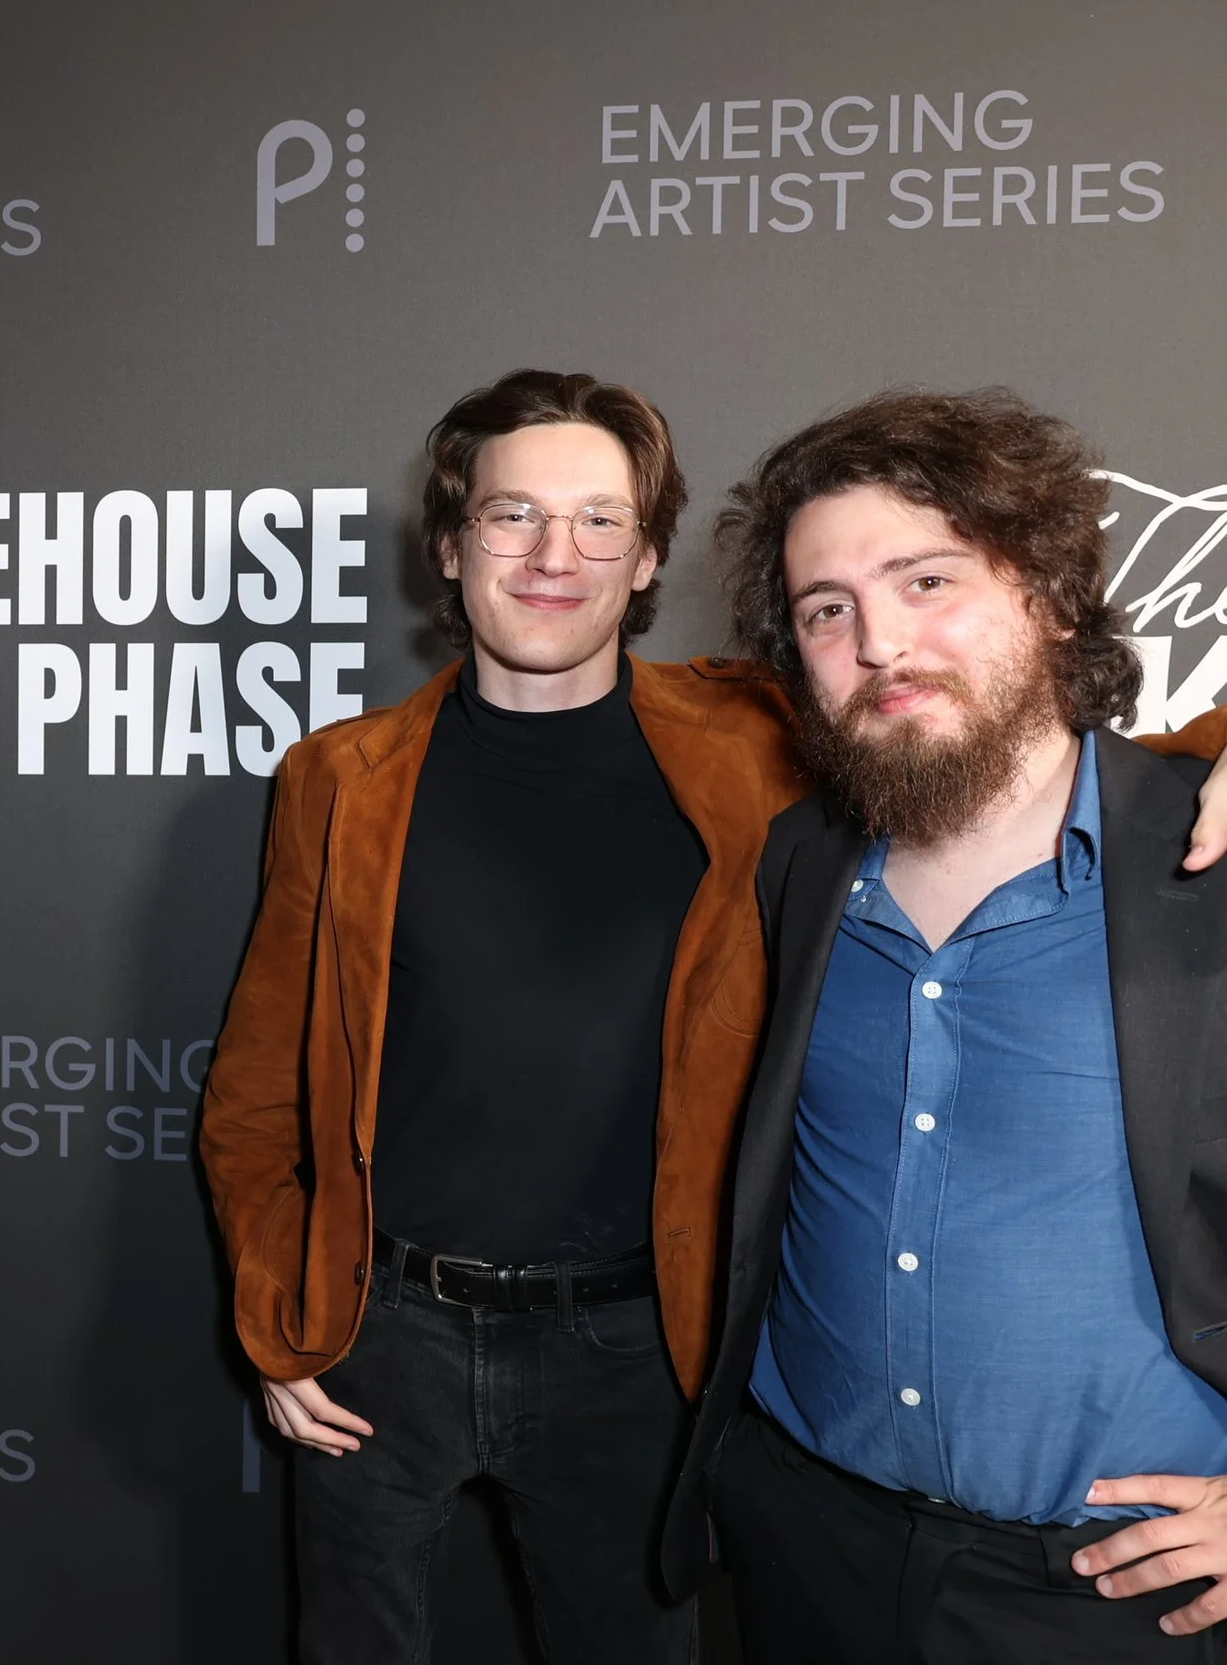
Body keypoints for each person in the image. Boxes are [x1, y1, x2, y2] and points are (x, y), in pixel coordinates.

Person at [198, 370, 1227, 1665]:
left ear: (647, 561)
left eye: (600, 522)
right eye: (513, 517)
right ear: (452, 549)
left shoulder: (756, 738)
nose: (554, 554)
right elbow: (252, 1082)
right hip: (381, 1332)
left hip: (638, 1346)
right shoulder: (339, 777)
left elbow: (1049, 744)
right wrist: (274, 1301)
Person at [667, 388, 1227, 1662]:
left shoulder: (1208, 852)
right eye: (827, 609)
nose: (878, 643)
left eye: (926, 580)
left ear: (1050, 595)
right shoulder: (794, 865)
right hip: (803, 1541)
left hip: (1112, 1595)